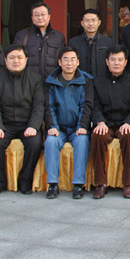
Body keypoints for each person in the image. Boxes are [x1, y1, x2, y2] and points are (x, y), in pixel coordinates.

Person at [0, 44, 45, 195]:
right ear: (5, 60)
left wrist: (33, 126)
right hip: (5, 125)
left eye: (20, 57)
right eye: (12, 58)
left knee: (35, 143)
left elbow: (39, 105)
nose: (16, 61)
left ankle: (25, 181)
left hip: (27, 124)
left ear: (26, 60)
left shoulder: (35, 79)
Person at [90, 44, 130, 199]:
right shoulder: (97, 82)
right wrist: (100, 122)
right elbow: (95, 106)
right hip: (106, 122)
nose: (116, 63)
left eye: (120, 60)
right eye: (113, 60)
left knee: (129, 136)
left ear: (125, 62)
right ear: (107, 62)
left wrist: (129, 122)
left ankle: (128, 184)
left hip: (125, 122)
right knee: (97, 136)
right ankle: (100, 183)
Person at [43, 47, 93, 200]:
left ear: (78, 62)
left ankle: (78, 184)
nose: (69, 63)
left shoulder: (85, 80)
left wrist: (82, 126)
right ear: (59, 62)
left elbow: (86, 106)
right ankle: (53, 184)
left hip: (77, 129)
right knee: (51, 142)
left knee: (82, 141)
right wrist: (52, 127)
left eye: (72, 59)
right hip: (59, 129)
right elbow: (49, 107)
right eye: (65, 59)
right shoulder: (51, 81)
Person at [13, 2, 66, 79]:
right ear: (32, 18)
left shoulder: (59, 37)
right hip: (28, 81)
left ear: (49, 16)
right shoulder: (22, 35)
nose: (40, 18)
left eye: (43, 14)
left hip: (52, 82)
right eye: (36, 15)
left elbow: (64, 60)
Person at [68, 8, 112, 79]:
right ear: (82, 23)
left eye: (93, 20)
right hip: (80, 81)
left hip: (102, 81)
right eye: (87, 21)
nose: (90, 24)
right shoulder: (73, 43)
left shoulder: (108, 42)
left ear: (99, 22)